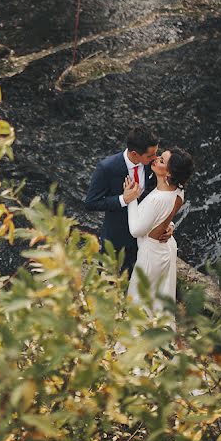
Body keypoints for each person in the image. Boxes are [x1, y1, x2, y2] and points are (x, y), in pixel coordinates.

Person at [84, 126, 166, 277]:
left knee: (132, 275)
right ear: (135, 154)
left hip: (142, 234)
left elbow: (158, 194)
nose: (155, 158)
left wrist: (166, 224)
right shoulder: (106, 168)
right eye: (151, 155)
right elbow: (90, 203)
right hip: (116, 234)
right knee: (106, 276)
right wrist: (123, 199)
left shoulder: (151, 167)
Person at [123, 147, 194, 315]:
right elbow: (168, 212)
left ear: (169, 174)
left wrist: (131, 199)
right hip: (166, 248)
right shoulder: (179, 191)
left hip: (151, 254)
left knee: (138, 301)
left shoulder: (158, 199)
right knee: (158, 300)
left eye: (161, 161)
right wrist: (170, 226)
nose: (155, 159)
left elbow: (135, 230)